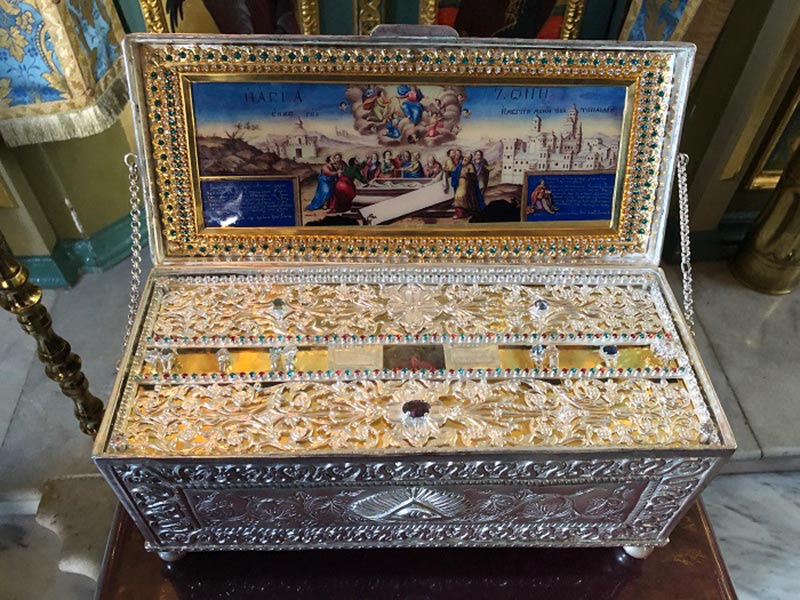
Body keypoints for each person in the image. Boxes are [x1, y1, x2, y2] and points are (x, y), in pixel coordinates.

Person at [453, 152, 485, 218]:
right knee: (457, 197)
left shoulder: (470, 165)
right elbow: (455, 172)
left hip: (466, 183)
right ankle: (459, 214)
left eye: (467, 158)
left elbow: (473, 176)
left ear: (470, 159)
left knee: (461, 196)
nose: (465, 159)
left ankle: (464, 213)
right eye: (465, 157)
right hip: (459, 183)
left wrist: (469, 177)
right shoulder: (460, 165)